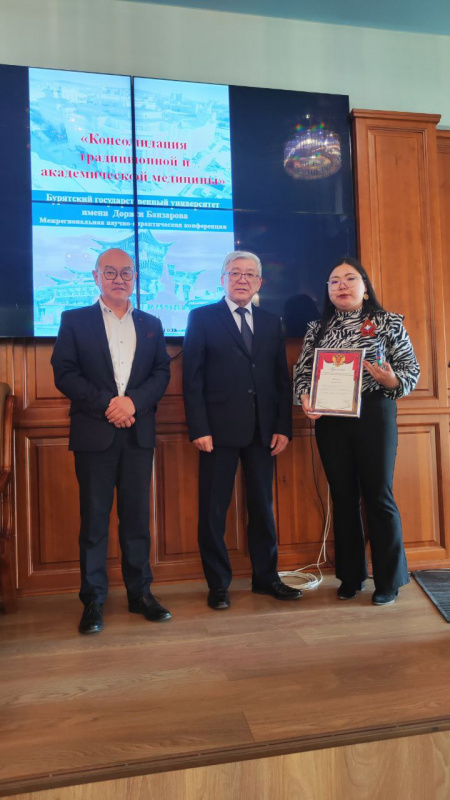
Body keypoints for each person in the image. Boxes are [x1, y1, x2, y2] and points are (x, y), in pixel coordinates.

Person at [51, 248, 171, 634]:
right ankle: (93, 601)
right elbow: (64, 372)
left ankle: (141, 594)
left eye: (126, 273)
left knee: (137, 519)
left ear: (135, 277)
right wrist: (110, 404)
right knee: (94, 521)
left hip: (138, 433)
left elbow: (161, 373)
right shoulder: (74, 320)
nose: (119, 279)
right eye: (110, 272)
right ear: (96, 276)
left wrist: (132, 402)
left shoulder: (151, 323)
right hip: (94, 434)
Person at [294, 257, 420, 606]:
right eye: (335, 281)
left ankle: (389, 580)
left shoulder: (388, 322)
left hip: (374, 413)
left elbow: (410, 370)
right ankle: (351, 577)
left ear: (365, 288)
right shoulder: (317, 328)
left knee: (379, 496)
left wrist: (390, 379)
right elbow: (302, 373)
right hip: (332, 419)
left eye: (350, 279)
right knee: (343, 497)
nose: (342, 286)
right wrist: (305, 398)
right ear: (328, 291)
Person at [182, 251, 302, 609]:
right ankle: (218, 585)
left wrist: (282, 426)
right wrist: (198, 427)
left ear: (259, 282)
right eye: (235, 273)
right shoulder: (202, 317)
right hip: (216, 432)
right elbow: (192, 378)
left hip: (263, 431)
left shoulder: (270, 321)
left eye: (250, 274)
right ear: (222, 279)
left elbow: (280, 379)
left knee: (262, 508)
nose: (242, 279)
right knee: (214, 511)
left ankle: (266, 578)